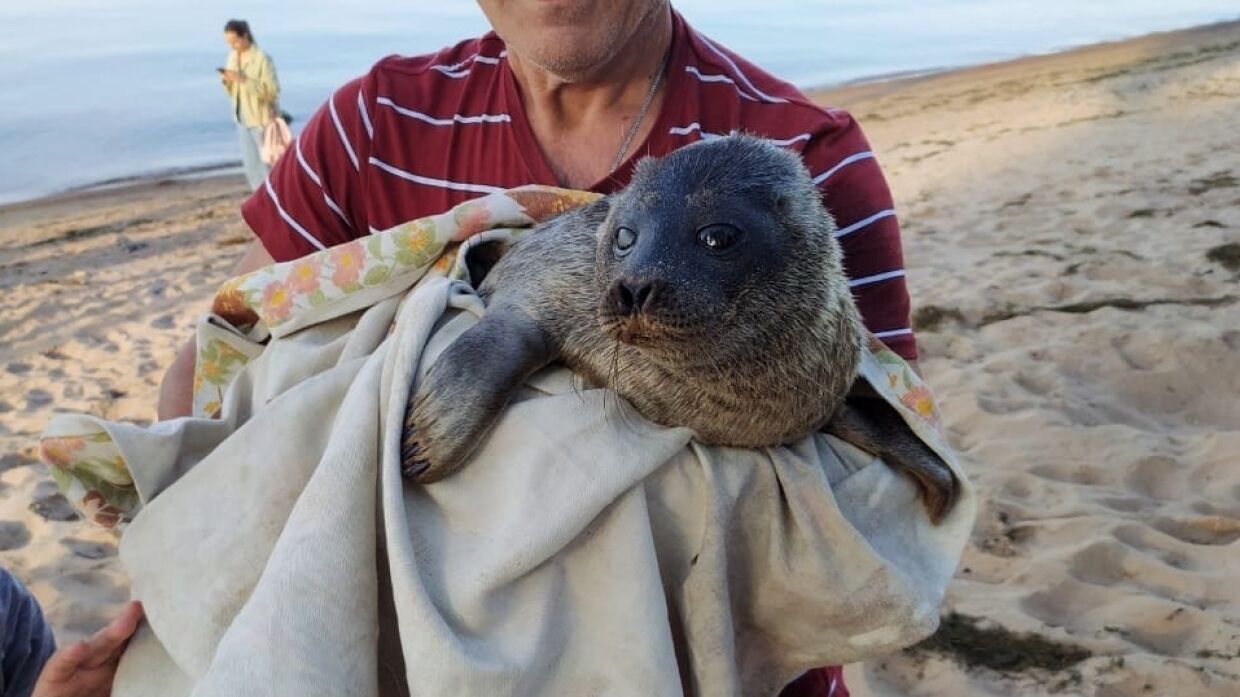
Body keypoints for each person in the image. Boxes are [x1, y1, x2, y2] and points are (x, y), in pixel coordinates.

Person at [160, 2, 923, 694]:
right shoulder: (372, 126)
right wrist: (168, 569)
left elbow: (884, 501)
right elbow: (227, 350)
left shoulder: (812, 161)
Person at [220, 19, 281, 191]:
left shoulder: (262, 58)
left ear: (245, 36)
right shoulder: (233, 57)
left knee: (268, 166)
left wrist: (244, 80)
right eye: (229, 43)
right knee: (251, 168)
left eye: (235, 41)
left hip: (260, 120)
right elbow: (232, 92)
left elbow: (271, 92)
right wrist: (227, 81)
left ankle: (276, 198)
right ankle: (261, 202)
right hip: (241, 118)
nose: (232, 46)